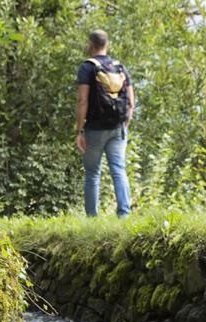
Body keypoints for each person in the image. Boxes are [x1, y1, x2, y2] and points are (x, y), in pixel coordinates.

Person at [75, 29, 135, 218]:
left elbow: (82, 101)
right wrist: (125, 125)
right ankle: (124, 215)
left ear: (90, 45)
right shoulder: (119, 67)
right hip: (118, 127)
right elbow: (131, 103)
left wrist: (80, 131)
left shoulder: (87, 67)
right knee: (119, 170)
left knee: (92, 173)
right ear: (107, 44)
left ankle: (92, 218)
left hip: (94, 128)